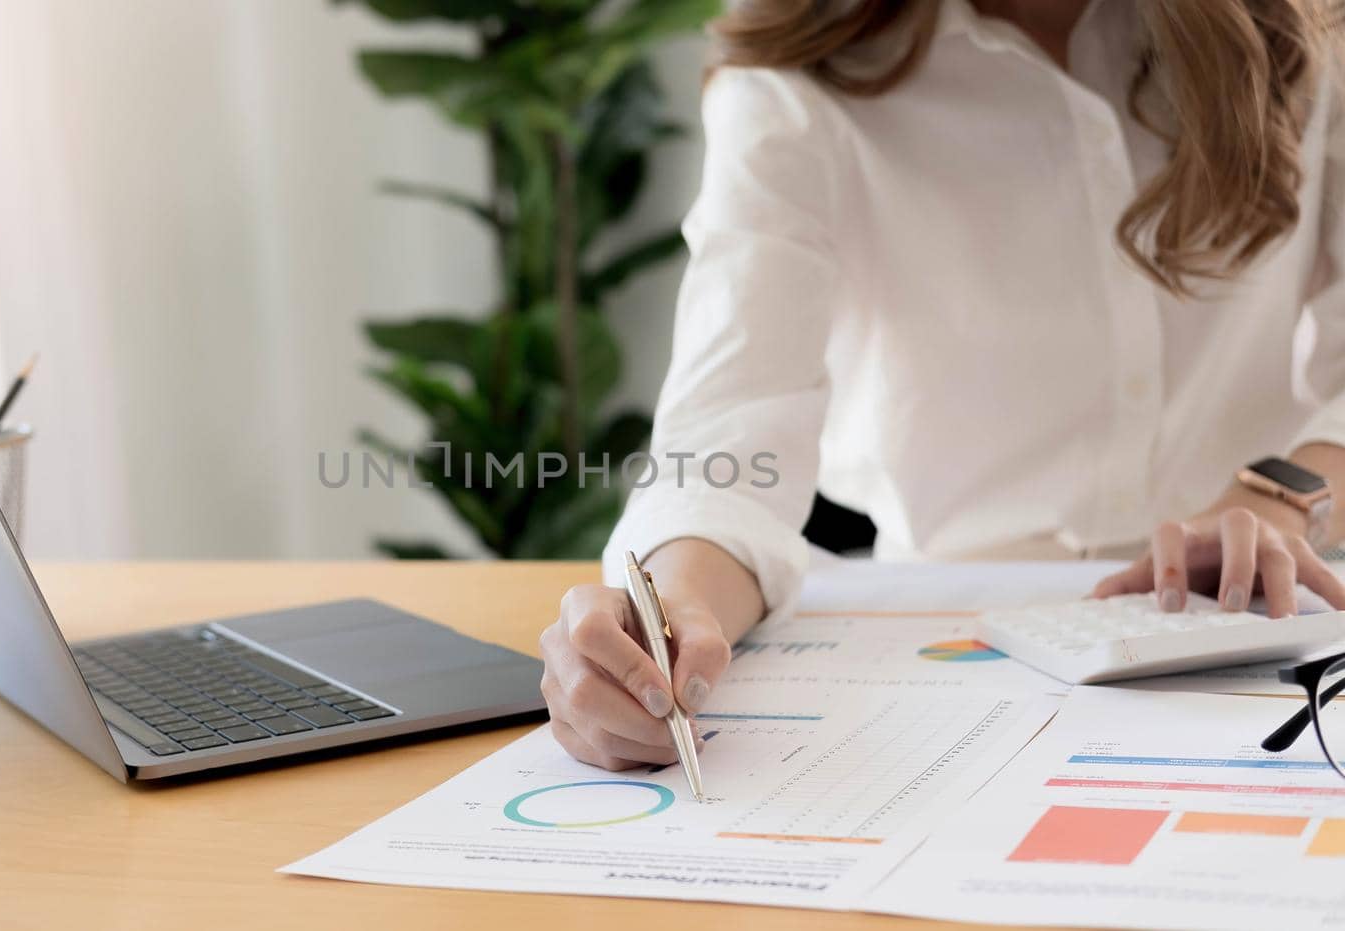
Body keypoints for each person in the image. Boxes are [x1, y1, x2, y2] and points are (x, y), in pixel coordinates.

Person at [540, 0, 1345, 771]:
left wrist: (1278, 500)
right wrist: (669, 618)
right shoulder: (797, 85)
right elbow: (726, 450)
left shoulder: (1312, 33)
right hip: (957, 662)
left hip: (1275, 628)